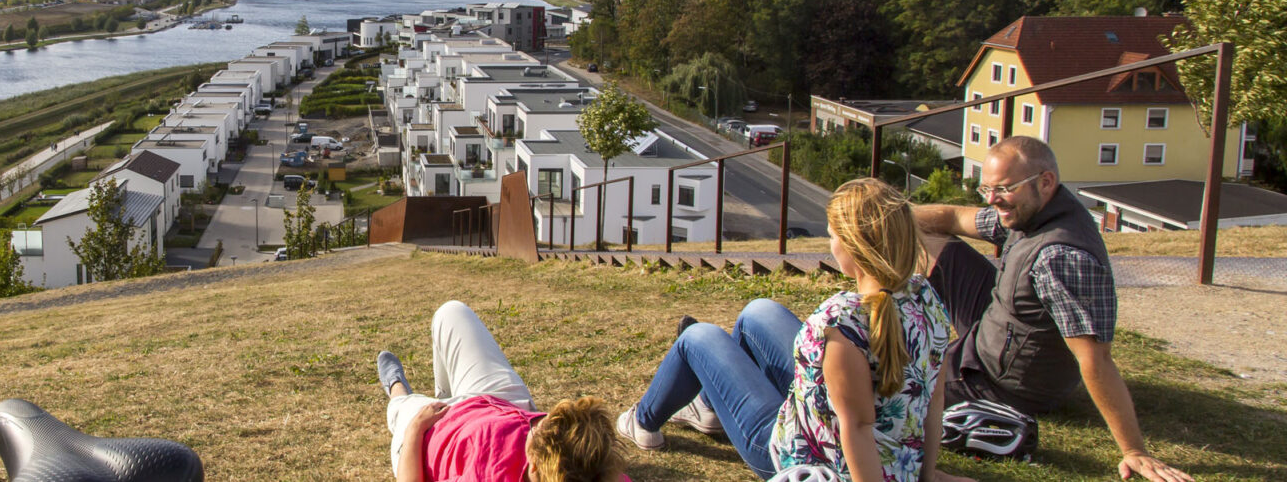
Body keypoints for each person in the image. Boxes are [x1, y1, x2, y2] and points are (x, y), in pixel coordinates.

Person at [615, 178, 970, 482]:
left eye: (832, 236)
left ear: (852, 245)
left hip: (806, 457)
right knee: (758, 311)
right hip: (896, 461)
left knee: (697, 337)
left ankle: (643, 421)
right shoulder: (925, 297)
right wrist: (924, 473)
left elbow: (857, 429)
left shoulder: (840, 323)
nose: (830, 245)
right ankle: (709, 408)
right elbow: (933, 398)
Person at [912, 137, 1191, 482]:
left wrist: (1134, 450)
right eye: (987, 188)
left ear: (1045, 182)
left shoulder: (1060, 256)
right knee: (924, 237)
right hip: (1003, 325)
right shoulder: (1031, 208)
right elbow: (955, 217)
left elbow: (1095, 358)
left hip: (1003, 379)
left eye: (1004, 188)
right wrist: (883, 216)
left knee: (894, 388)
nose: (992, 199)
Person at [377, 300, 629, 482]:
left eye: (536, 431)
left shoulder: (485, 475)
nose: (538, 422)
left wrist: (415, 430)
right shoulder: (601, 471)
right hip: (502, 406)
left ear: (534, 469)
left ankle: (396, 387)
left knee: (402, 408)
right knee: (451, 313)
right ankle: (442, 396)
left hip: (433, 435)